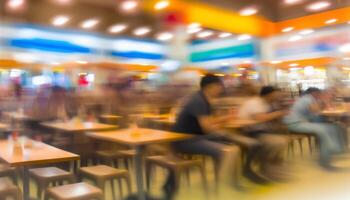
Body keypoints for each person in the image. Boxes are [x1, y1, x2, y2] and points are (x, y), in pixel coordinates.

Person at [163, 74, 240, 198]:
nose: (221, 89)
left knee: (232, 143)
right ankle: (223, 188)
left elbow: (208, 123)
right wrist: (221, 125)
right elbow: (207, 128)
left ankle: (229, 182)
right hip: (185, 141)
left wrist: (225, 119)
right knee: (229, 150)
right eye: (219, 86)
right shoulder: (198, 101)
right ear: (210, 87)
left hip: (194, 137)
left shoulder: (203, 99)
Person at [284, 87, 347, 170]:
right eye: (320, 93)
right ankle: (325, 162)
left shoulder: (310, 99)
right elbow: (315, 110)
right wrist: (324, 100)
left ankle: (336, 149)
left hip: (303, 122)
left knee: (334, 127)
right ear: (314, 93)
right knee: (324, 130)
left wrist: (325, 101)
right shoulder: (307, 99)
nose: (321, 95)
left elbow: (317, 112)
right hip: (295, 123)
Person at [238, 86, 289, 181]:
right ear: (269, 95)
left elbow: (269, 118)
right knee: (277, 142)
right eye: (275, 96)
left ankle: (271, 167)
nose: (276, 98)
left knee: (281, 140)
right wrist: (278, 113)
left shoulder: (265, 103)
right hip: (248, 132)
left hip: (260, 131)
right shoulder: (254, 103)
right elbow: (260, 118)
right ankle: (266, 169)